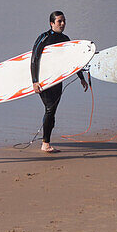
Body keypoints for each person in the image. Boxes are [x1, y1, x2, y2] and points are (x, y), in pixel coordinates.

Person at [31, 11, 88, 153]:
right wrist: (35, 81)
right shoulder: (44, 38)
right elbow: (34, 59)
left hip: (58, 79)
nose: (62, 24)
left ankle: (46, 140)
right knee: (50, 108)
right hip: (44, 80)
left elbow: (72, 61)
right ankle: (45, 144)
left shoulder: (65, 39)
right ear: (52, 23)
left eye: (64, 21)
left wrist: (81, 78)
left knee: (52, 110)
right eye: (59, 21)